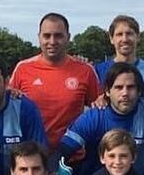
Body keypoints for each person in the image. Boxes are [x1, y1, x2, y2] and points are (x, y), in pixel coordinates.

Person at [9, 13, 100, 149]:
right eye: (46, 36)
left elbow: (100, 110)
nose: (52, 42)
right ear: (39, 37)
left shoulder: (85, 70)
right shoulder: (23, 68)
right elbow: (8, 107)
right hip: (32, 159)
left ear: (68, 38)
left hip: (72, 157)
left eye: (58, 36)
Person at [94, 15, 144, 87]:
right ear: (111, 39)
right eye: (119, 34)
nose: (125, 39)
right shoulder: (98, 71)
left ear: (138, 37)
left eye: (129, 34)